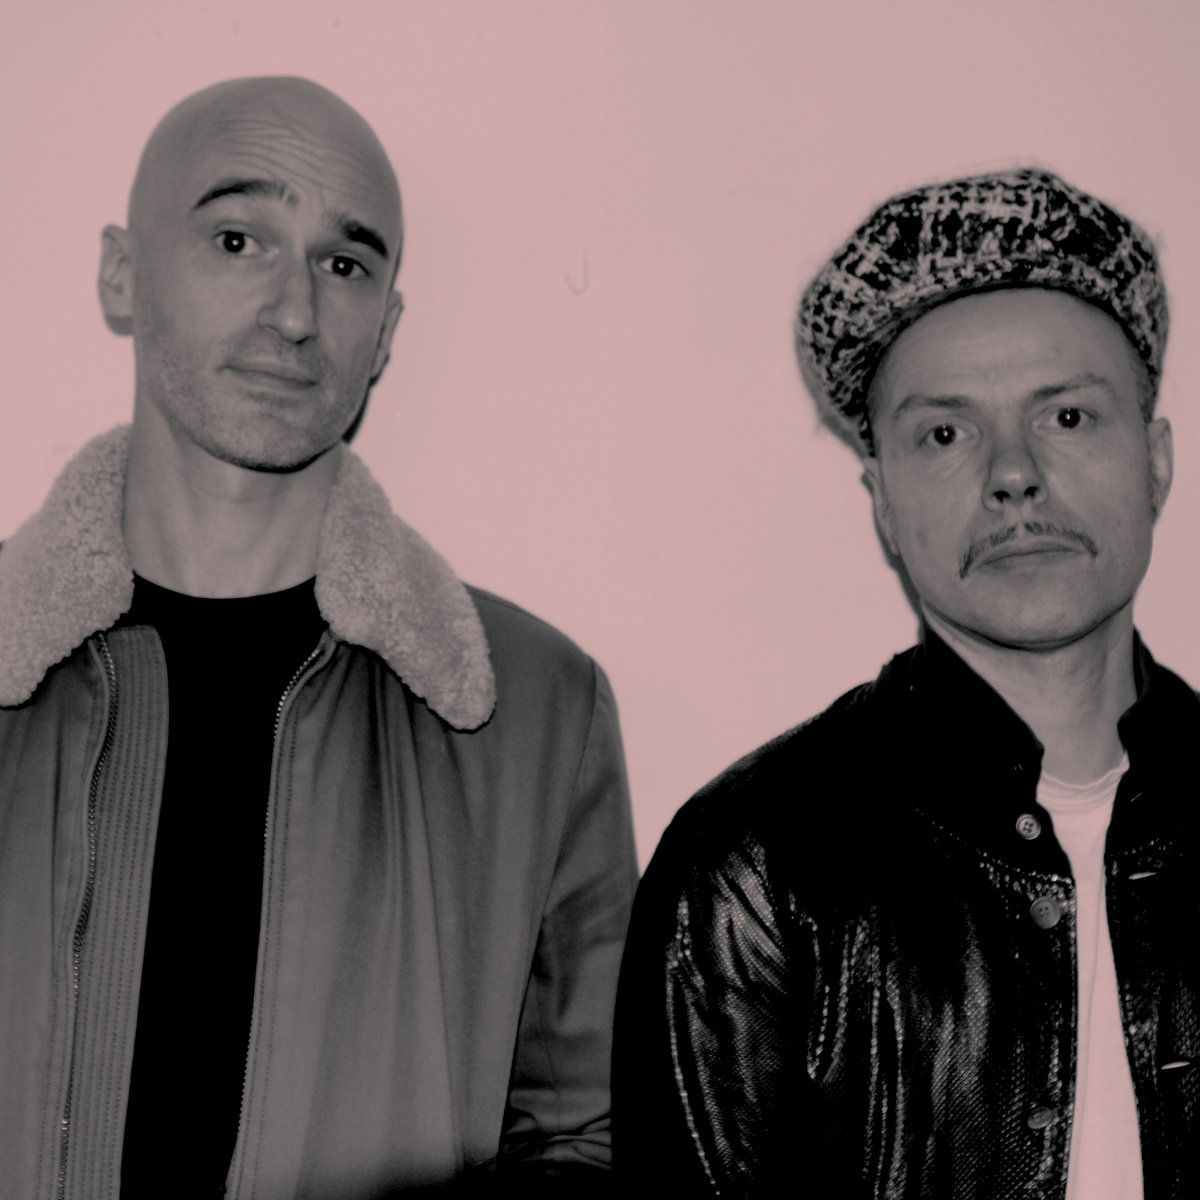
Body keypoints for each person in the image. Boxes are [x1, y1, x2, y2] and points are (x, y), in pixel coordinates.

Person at [0, 76, 637, 1200]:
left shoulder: (533, 712)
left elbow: (593, 1136)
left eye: (344, 265)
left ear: (385, 331)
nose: (295, 311)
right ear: (121, 272)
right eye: (237, 239)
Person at [613, 169, 1198, 1198]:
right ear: (882, 501)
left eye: (1068, 416)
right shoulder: (754, 867)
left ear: (1156, 461)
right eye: (945, 433)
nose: (1013, 474)